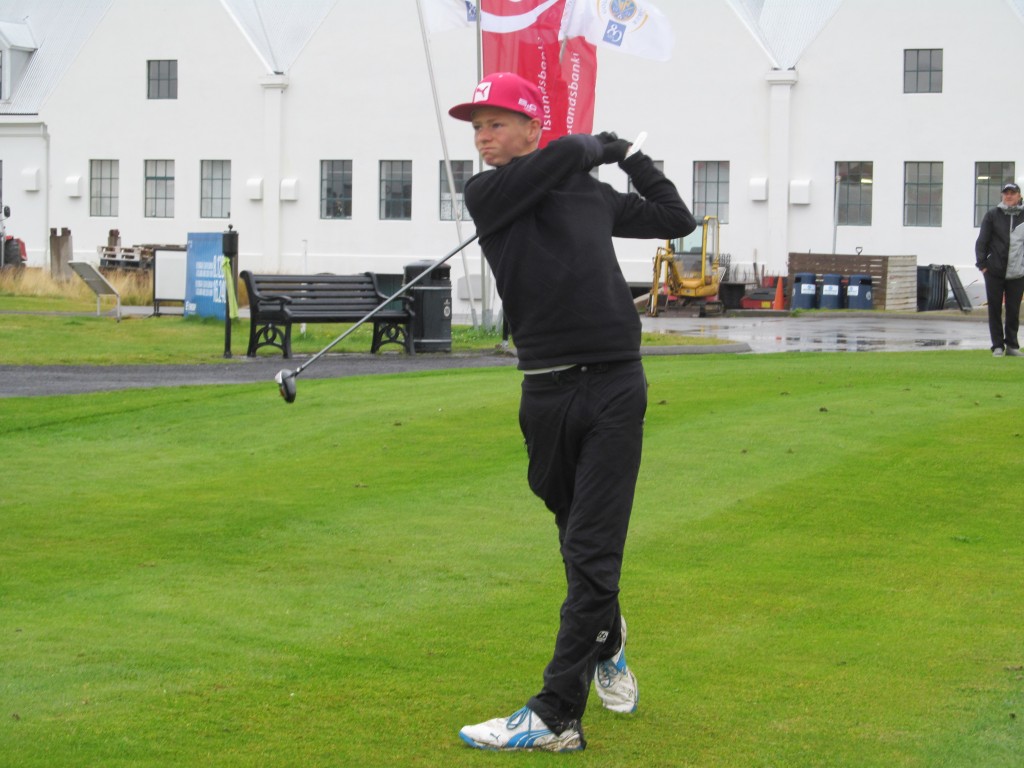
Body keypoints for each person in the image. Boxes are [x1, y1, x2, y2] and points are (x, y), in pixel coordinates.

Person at [448, 72, 696, 752]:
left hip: (616, 383)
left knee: (591, 549)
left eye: (497, 123)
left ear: (532, 128)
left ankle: (557, 715)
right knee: (573, 537)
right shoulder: (488, 193)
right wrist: (596, 145)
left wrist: (631, 157)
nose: (483, 137)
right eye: (477, 127)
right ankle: (607, 639)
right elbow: (567, 155)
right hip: (545, 390)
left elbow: (675, 218)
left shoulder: (589, 192)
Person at [975, 181, 1024, 357]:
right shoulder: (992, 215)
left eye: (1012, 193)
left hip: (1018, 273)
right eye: (1006, 193)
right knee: (995, 309)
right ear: (1002, 195)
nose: (1009, 196)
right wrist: (982, 265)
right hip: (994, 271)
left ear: (1019, 196)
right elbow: (982, 241)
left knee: (1013, 310)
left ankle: (1012, 346)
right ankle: (997, 345)